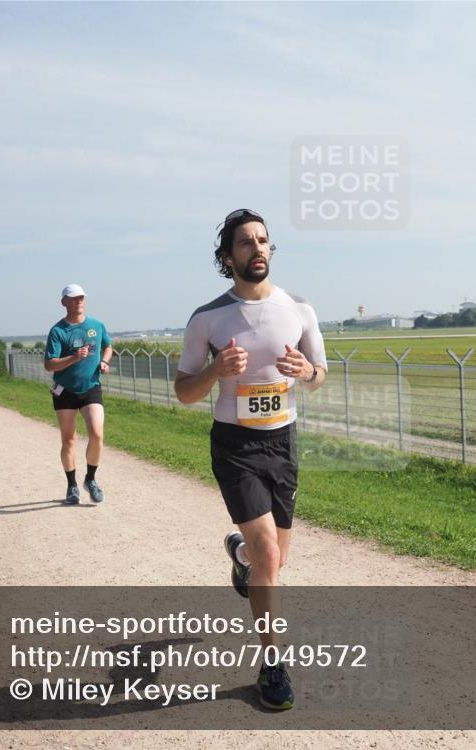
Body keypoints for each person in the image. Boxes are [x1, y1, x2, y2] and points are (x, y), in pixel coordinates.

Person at [174, 209, 327, 710]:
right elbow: (183, 393)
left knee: (274, 560)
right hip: (236, 446)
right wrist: (217, 369)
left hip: (282, 443)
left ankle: (240, 556)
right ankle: (272, 665)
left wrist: (307, 371)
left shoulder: (299, 308)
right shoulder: (209, 318)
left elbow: (320, 372)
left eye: (263, 241)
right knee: (270, 558)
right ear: (227, 257)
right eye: (245, 243)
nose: (257, 248)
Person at [43, 284, 113, 505]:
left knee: (97, 433)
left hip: (91, 387)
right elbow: (49, 364)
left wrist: (103, 361)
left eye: (81, 298)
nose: (78, 301)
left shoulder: (96, 324)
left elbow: (108, 346)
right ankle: (72, 484)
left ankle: (90, 479)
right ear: (64, 302)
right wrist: (74, 357)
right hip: (65, 390)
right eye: (73, 298)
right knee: (69, 439)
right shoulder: (58, 331)